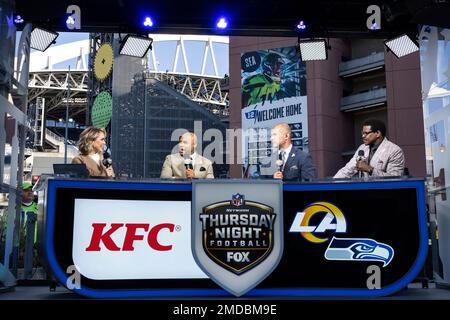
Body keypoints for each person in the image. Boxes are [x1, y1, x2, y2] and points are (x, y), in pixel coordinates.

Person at [334, 119, 405, 179]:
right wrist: (332, 184)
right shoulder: (362, 148)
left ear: (377, 133)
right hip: (365, 190)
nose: (363, 136)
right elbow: (347, 170)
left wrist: (370, 169)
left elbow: (395, 179)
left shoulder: (394, 150)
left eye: (366, 133)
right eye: (362, 133)